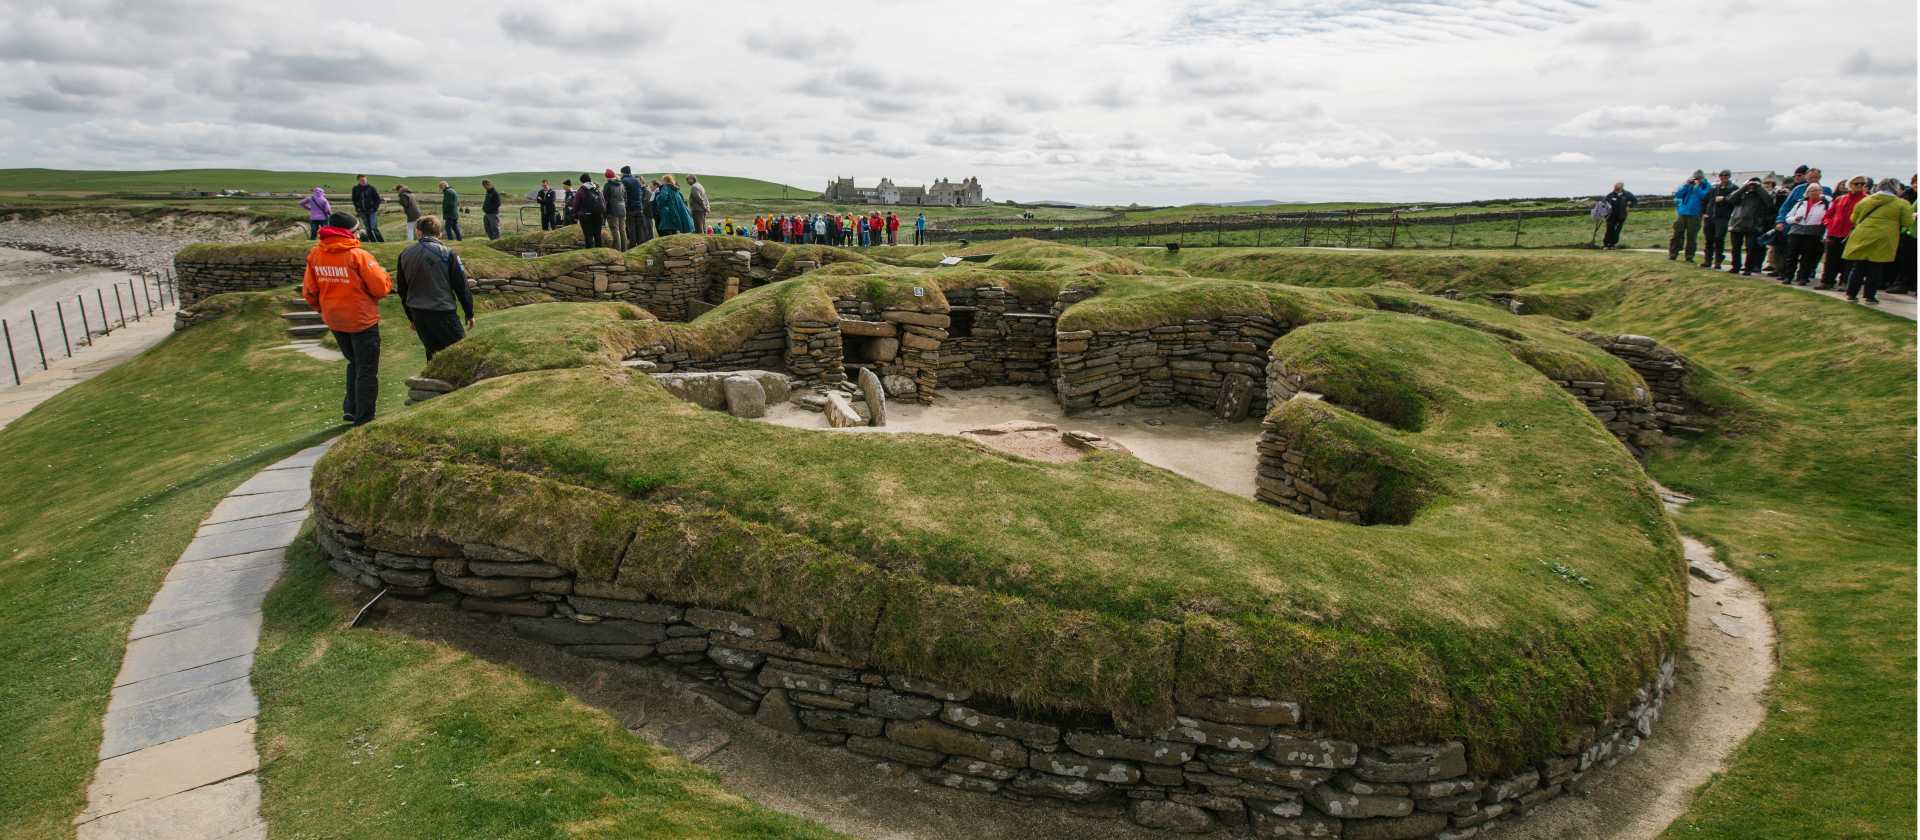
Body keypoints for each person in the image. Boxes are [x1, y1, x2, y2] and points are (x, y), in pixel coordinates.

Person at [301, 212, 391, 426]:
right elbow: (380, 288)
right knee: (367, 368)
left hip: (335, 318)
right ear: (350, 232)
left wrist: (323, 309)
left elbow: (309, 291)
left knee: (354, 362)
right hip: (361, 319)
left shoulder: (315, 254)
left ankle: (351, 408)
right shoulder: (358, 256)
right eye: (356, 229)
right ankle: (364, 418)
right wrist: (386, 277)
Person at [396, 215, 475, 358]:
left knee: (432, 355)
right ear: (440, 234)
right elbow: (461, 287)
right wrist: (469, 313)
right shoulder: (448, 253)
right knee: (460, 354)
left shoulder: (404, 254)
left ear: (418, 232)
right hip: (442, 311)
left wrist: (411, 317)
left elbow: (402, 290)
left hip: (418, 313)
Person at [1839, 179, 1917, 304]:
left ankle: (1851, 294)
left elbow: (1854, 218)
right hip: (1884, 237)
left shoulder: (1865, 200)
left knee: (1858, 267)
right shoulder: (1901, 204)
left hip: (1862, 234)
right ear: (1895, 188)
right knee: (1875, 268)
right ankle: (1870, 296)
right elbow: (1906, 223)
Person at [1819, 177, 1869, 290]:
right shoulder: (1840, 199)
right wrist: (1830, 225)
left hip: (1852, 234)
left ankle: (1845, 282)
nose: (1860, 186)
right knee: (1830, 260)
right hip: (1835, 233)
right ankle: (1827, 281)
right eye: (1857, 184)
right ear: (1850, 185)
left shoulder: (1866, 200)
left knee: (1849, 261)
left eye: (1862, 184)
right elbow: (1828, 215)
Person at [1780, 183, 1831, 286]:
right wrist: (1795, 219)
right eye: (1812, 191)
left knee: (1807, 257)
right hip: (1796, 231)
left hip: (1813, 233)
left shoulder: (1825, 204)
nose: (1815, 193)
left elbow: (1828, 219)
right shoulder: (1800, 203)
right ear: (1807, 193)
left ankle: (1802, 277)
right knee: (1792, 256)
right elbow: (1788, 218)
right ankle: (1788, 276)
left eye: (1818, 190)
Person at [1725, 177, 1775, 276]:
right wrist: (1744, 187)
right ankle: (1735, 266)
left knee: (1751, 248)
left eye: (1754, 184)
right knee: (1735, 247)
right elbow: (1730, 199)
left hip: (1753, 225)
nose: (1752, 186)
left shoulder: (1762, 195)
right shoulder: (1742, 194)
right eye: (1750, 184)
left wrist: (1758, 188)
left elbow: (1769, 201)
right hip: (1737, 223)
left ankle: (1749, 267)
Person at [1668, 170, 1710, 262]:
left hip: (1695, 214)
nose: (1696, 180)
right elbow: (1678, 195)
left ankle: (1689, 256)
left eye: (1698, 178)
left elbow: (1705, 196)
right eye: (1695, 178)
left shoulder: (1706, 186)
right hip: (1683, 213)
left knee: (1692, 236)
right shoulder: (1688, 185)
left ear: (1702, 178)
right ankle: (1673, 253)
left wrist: (1697, 187)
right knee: (1677, 233)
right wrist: (1686, 185)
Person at [1701, 170, 1736, 269]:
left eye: (1726, 175)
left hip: (1722, 218)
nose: (1724, 177)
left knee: (1719, 239)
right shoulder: (1714, 188)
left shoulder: (1733, 188)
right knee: (1709, 239)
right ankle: (1707, 261)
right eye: (1722, 175)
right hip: (1710, 217)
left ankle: (1718, 261)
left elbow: (1735, 200)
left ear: (1729, 177)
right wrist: (1704, 213)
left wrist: (1724, 199)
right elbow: (1705, 200)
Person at [572, 173, 605, 247]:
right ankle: (600, 252)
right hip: (598, 215)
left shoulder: (581, 190)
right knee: (597, 235)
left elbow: (576, 204)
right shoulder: (597, 189)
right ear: (590, 180)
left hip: (585, 216)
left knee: (588, 235)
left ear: (582, 181)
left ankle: (590, 253)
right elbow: (603, 201)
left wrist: (575, 215)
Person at [350, 175, 384, 243]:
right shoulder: (355, 189)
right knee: (367, 228)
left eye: (365, 180)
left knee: (373, 227)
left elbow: (377, 199)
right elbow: (354, 200)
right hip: (362, 211)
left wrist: (374, 208)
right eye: (362, 180)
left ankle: (381, 241)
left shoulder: (371, 188)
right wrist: (357, 209)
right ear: (358, 180)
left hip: (372, 211)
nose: (363, 181)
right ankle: (372, 241)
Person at [602, 169, 629, 251]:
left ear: (607, 177)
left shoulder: (607, 185)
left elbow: (604, 200)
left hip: (612, 210)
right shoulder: (621, 184)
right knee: (622, 230)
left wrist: (604, 211)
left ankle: (617, 250)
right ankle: (625, 249)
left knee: (615, 230)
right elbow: (625, 198)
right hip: (622, 209)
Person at [621, 167, 647, 245]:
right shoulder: (637, 180)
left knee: (631, 227)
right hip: (639, 207)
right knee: (639, 228)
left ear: (623, 172)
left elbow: (623, 194)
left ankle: (632, 245)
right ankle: (640, 244)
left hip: (630, 208)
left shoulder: (624, 181)